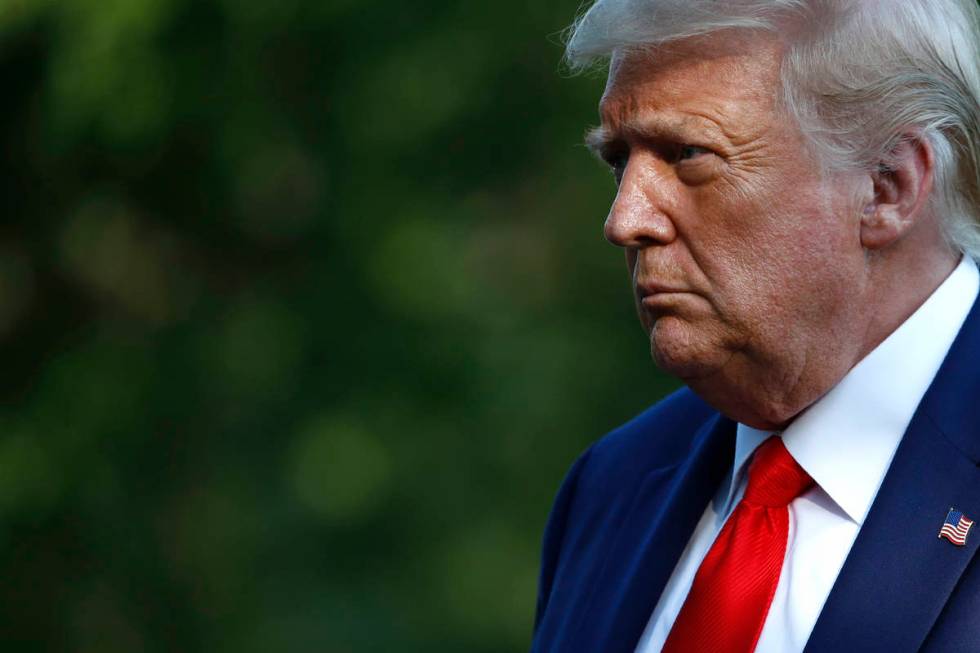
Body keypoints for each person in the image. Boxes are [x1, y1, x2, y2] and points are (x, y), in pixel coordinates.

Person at [531, 1, 980, 652]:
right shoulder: (612, 485)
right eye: (618, 161)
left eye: (688, 153)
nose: (624, 219)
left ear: (888, 186)